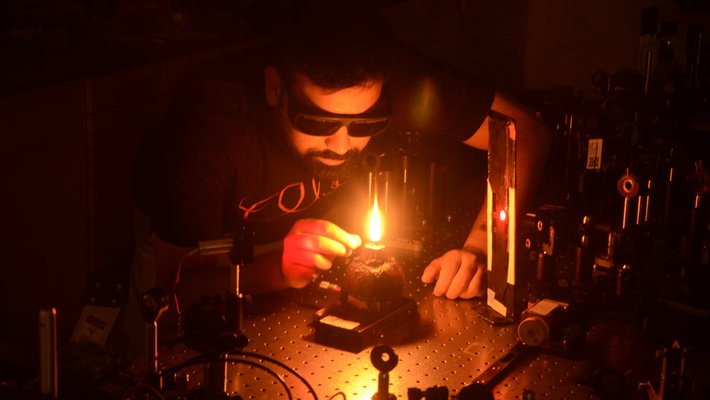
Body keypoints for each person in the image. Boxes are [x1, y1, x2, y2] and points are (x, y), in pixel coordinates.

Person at [130, 0, 551, 323]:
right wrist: (275, 269)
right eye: (316, 121)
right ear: (275, 88)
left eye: (366, 122)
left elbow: (522, 132)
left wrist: (483, 246)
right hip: (204, 256)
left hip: (306, 252)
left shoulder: (387, 78)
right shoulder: (212, 124)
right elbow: (171, 288)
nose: (342, 143)